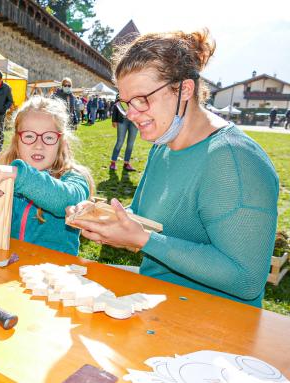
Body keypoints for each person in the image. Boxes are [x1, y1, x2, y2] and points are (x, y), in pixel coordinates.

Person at [68, 29, 279, 308]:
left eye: (142, 99)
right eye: (126, 103)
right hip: (154, 308)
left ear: (184, 90)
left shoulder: (235, 159)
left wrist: (143, 240)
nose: (131, 114)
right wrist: (102, 218)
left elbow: (246, 279)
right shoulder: (163, 145)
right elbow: (143, 218)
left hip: (216, 331)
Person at [0, 96, 93, 383]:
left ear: (62, 142)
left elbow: (63, 201)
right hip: (0, 285)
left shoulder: (74, 180)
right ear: (17, 140)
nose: (39, 144)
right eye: (29, 136)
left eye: (48, 137)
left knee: (32, 361)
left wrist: (19, 174)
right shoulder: (4, 176)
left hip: (49, 292)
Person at [109, 98, 138, 171]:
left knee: (130, 143)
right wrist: (114, 120)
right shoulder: (122, 93)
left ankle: (126, 163)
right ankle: (113, 162)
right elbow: (116, 106)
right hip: (122, 120)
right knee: (120, 142)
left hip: (134, 121)